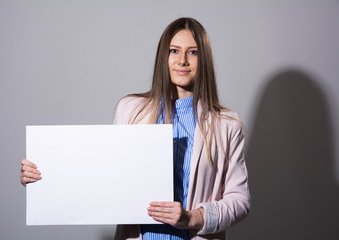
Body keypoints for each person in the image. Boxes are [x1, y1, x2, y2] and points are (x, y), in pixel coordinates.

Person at [21, 17, 250, 240]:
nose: (182, 60)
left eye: (193, 52)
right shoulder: (131, 110)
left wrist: (192, 218)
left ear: (204, 60)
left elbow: (239, 200)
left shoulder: (227, 124)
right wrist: (45, 176)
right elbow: (105, 174)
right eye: (174, 51)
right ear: (164, 57)